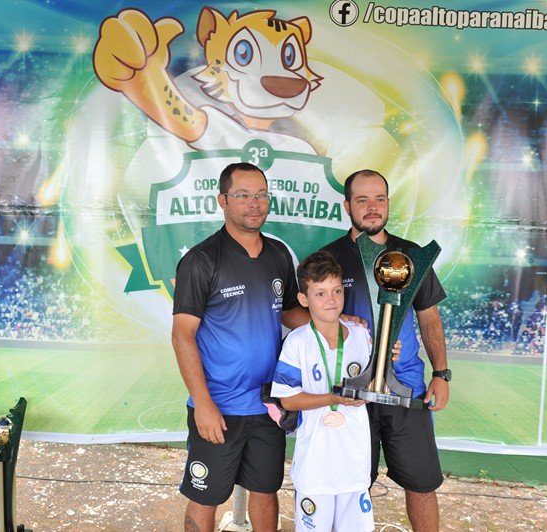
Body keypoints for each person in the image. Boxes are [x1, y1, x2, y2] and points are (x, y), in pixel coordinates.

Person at [171, 162, 309, 532]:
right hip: (219, 407)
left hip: (268, 404)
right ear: (223, 200)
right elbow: (182, 335)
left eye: (261, 195)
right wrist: (203, 403)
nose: (254, 203)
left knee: (265, 490)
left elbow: (290, 312)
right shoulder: (201, 260)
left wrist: (341, 327)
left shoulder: (278, 255)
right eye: (243, 195)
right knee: (206, 497)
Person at [321, 169, 450, 532]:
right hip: (349, 393)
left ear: (388, 203)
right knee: (349, 488)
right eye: (362, 200)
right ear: (347, 206)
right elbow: (302, 314)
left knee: (422, 484)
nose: (372, 207)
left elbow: (429, 318)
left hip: (407, 390)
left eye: (379, 199)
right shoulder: (328, 258)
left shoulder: (411, 255)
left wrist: (441, 374)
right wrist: (344, 324)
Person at [271, 250, 374, 532]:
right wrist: (332, 398)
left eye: (337, 290)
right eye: (320, 293)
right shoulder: (297, 343)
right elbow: (287, 399)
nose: (331, 299)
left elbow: (375, 386)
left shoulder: (361, 336)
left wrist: (386, 365)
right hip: (315, 469)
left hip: (354, 466)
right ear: (304, 299)